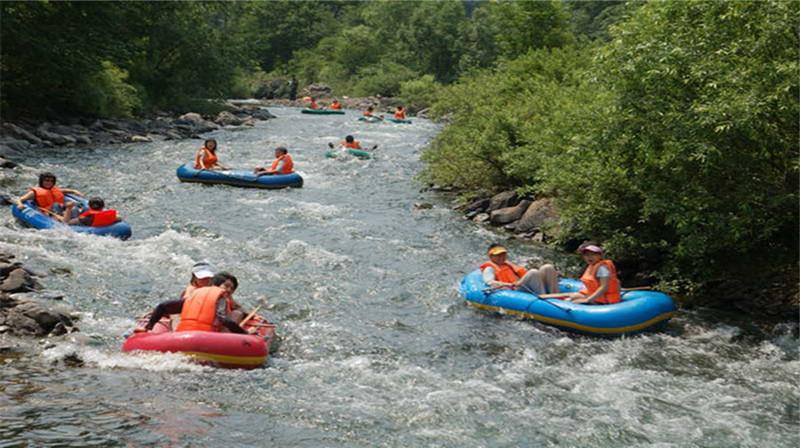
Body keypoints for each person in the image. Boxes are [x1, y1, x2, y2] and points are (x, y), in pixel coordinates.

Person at [138, 272, 253, 334]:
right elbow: (223, 319)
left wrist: (149, 326)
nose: (229, 290)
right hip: (211, 337)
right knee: (237, 314)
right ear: (216, 284)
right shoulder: (220, 298)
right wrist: (244, 333)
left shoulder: (194, 294)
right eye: (227, 286)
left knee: (177, 314)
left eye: (232, 289)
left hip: (183, 334)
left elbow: (163, 306)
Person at [481, 243, 559, 295]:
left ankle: (555, 295)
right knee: (533, 272)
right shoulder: (489, 268)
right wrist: (507, 284)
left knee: (547, 267)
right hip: (513, 290)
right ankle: (544, 297)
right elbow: (490, 282)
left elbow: (522, 274)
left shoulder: (508, 264)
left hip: (520, 285)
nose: (502, 257)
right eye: (498, 255)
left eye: (503, 254)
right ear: (491, 256)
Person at [15, 172, 84, 222]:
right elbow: (21, 199)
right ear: (41, 181)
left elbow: (66, 190)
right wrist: (20, 204)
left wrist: (75, 191)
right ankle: (67, 221)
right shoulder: (34, 192)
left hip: (61, 209)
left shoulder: (55, 189)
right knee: (56, 205)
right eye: (47, 180)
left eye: (51, 181)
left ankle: (74, 220)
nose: (49, 182)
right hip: (49, 212)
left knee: (74, 208)